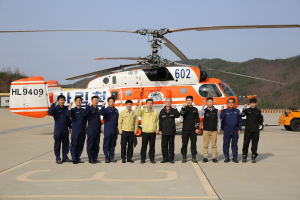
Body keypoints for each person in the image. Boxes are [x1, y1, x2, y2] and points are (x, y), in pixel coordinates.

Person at [47, 95, 72, 164]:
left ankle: (65, 157)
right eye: (60, 100)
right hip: (58, 129)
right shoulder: (55, 108)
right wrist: (53, 104)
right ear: (58, 101)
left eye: (63, 100)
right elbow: (49, 112)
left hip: (65, 129)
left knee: (66, 144)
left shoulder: (66, 108)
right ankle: (58, 157)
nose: (62, 101)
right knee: (57, 144)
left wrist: (70, 127)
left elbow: (68, 119)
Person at [136, 99, 159, 164]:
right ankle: (142, 159)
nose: (149, 104)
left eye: (151, 103)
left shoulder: (155, 112)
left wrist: (157, 129)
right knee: (144, 146)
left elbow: (157, 121)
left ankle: (152, 159)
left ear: (152, 104)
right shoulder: (143, 111)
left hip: (152, 131)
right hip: (145, 131)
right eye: (148, 103)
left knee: (152, 146)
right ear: (146, 104)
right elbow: (137, 114)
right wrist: (139, 106)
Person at [241, 97, 264, 163]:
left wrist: (258, 126)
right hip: (248, 130)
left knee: (254, 144)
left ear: (256, 103)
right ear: (249, 104)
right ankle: (244, 156)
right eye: (251, 103)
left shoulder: (259, 111)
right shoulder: (247, 110)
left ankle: (253, 156)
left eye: (254, 103)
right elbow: (242, 115)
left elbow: (261, 120)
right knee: (245, 144)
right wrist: (244, 108)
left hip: (255, 131)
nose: (252, 104)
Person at [220, 98, 242, 163]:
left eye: (232, 102)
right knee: (226, 144)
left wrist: (239, 129)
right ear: (227, 103)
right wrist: (222, 110)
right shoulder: (225, 111)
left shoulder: (237, 111)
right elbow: (221, 117)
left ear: (234, 103)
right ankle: (227, 157)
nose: (231, 103)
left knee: (234, 144)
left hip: (235, 130)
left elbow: (240, 121)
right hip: (227, 130)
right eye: (229, 102)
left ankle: (235, 157)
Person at [199, 97, 221, 163]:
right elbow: (200, 115)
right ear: (206, 103)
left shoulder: (216, 111)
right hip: (206, 130)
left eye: (210, 102)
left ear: (213, 102)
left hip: (214, 130)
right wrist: (202, 107)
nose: (209, 103)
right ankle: (205, 157)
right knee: (205, 145)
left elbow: (219, 120)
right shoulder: (205, 110)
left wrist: (219, 128)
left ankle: (214, 158)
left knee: (213, 145)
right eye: (208, 102)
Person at [66, 96, 87, 164]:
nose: (79, 101)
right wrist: (70, 106)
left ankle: (78, 157)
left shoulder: (83, 110)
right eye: (77, 100)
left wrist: (85, 128)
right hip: (75, 130)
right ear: (75, 102)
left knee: (81, 144)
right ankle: (74, 158)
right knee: (74, 144)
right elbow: (68, 114)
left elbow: (85, 120)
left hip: (82, 130)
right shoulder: (73, 110)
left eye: (80, 100)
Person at [159, 98, 180, 163]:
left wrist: (176, 108)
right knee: (164, 145)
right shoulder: (162, 111)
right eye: (167, 101)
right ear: (165, 102)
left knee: (171, 146)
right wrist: (160, 130)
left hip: (171, 131)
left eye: (169, 101)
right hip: (164, 131)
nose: (168, 103)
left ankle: (171, 158)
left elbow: (178, 115)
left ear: (171, 102)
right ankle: (165, 158)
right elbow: (160, 121)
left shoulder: (173, 110)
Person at [180, 96, 200, 163]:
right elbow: (181, 114)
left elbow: (197, 119)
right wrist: (183, 108)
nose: (189, 101)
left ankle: (193, 156)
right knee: (184, 143)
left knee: (193, 143)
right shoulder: (184, 108)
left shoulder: (195, 109)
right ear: (186, 101)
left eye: (190, 100)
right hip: (185, 129)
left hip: (193, 129)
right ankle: (184, 156)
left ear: (192, 101)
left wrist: (197, 128)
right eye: (187, 100)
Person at [83, 96, 101, 164]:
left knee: (96, 144)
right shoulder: (89, 108)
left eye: (97, 100)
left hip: (97, 129)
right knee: (90, 144)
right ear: (92, 101)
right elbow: (84, 114)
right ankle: (90, 159)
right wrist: (87, 106)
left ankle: (95, 158)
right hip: (91, 129)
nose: (96, 101)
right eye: (94, 100)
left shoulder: (97, 109)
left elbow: (98, 120)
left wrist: (99, 127)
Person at [100, 97, 119, 163]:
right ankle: (106, 157)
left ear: (114, 102)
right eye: (110, 102)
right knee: (106, 144)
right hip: (108, 130)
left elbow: (118, 120)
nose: (111, 103)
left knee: (113, 144)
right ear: (108, 102)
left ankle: (111, 157)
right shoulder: (106, 110)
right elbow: (101, 113)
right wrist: (102, 106)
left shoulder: (116, 110)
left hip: (114, 130)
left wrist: (118, 128)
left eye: (112, 102)